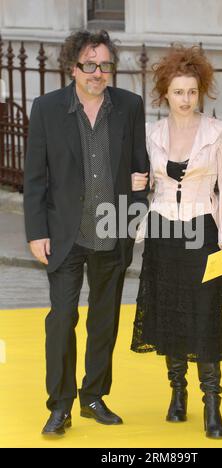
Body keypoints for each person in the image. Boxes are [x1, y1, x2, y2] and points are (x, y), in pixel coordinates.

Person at [23, 30, 149, 436]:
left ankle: (94, 395)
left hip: (113, 232)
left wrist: (139, 201)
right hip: (64, 234)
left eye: (105, 65)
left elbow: (139, 164)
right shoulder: (46, 109)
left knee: (104, 318)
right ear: (72, 67)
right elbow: (35, 178)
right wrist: (36, 231)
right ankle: (60, 405)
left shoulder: (130, 106)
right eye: (89, 65)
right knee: (62, 318)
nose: (98, 73)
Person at [130, 46, 222, 439]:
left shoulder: (217, 132)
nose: (185, 99)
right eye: (178, 92)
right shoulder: (152, 134)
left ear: (201, 92)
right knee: (170, 313)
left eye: (192, 91)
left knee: (206, 314)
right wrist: (134, 185)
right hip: (163, 231)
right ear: (165, 93)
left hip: (203, 231)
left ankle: (212, 404)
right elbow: (141, 184)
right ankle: (177, 395)